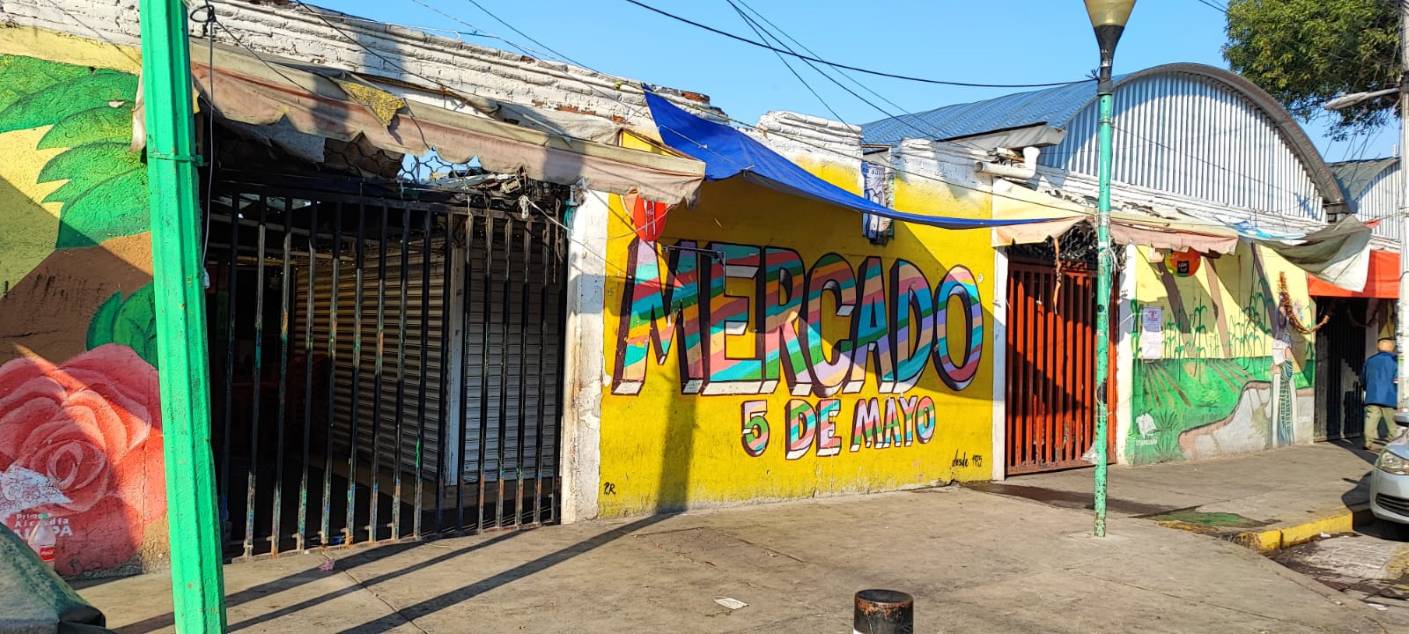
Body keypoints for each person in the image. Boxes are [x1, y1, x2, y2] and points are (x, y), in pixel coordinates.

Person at [1363, 337, 1398, 450]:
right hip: (1390, 395)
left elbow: (1363, 377)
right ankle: (1393, 443)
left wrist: (1367, 388)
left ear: (1378, 347)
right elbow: (1398, 378)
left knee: (1370, 419)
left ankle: (1368, 442)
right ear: (1392, 347)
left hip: (1372, 395)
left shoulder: (1370, 360)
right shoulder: (1395, 360)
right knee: (1392, 422)